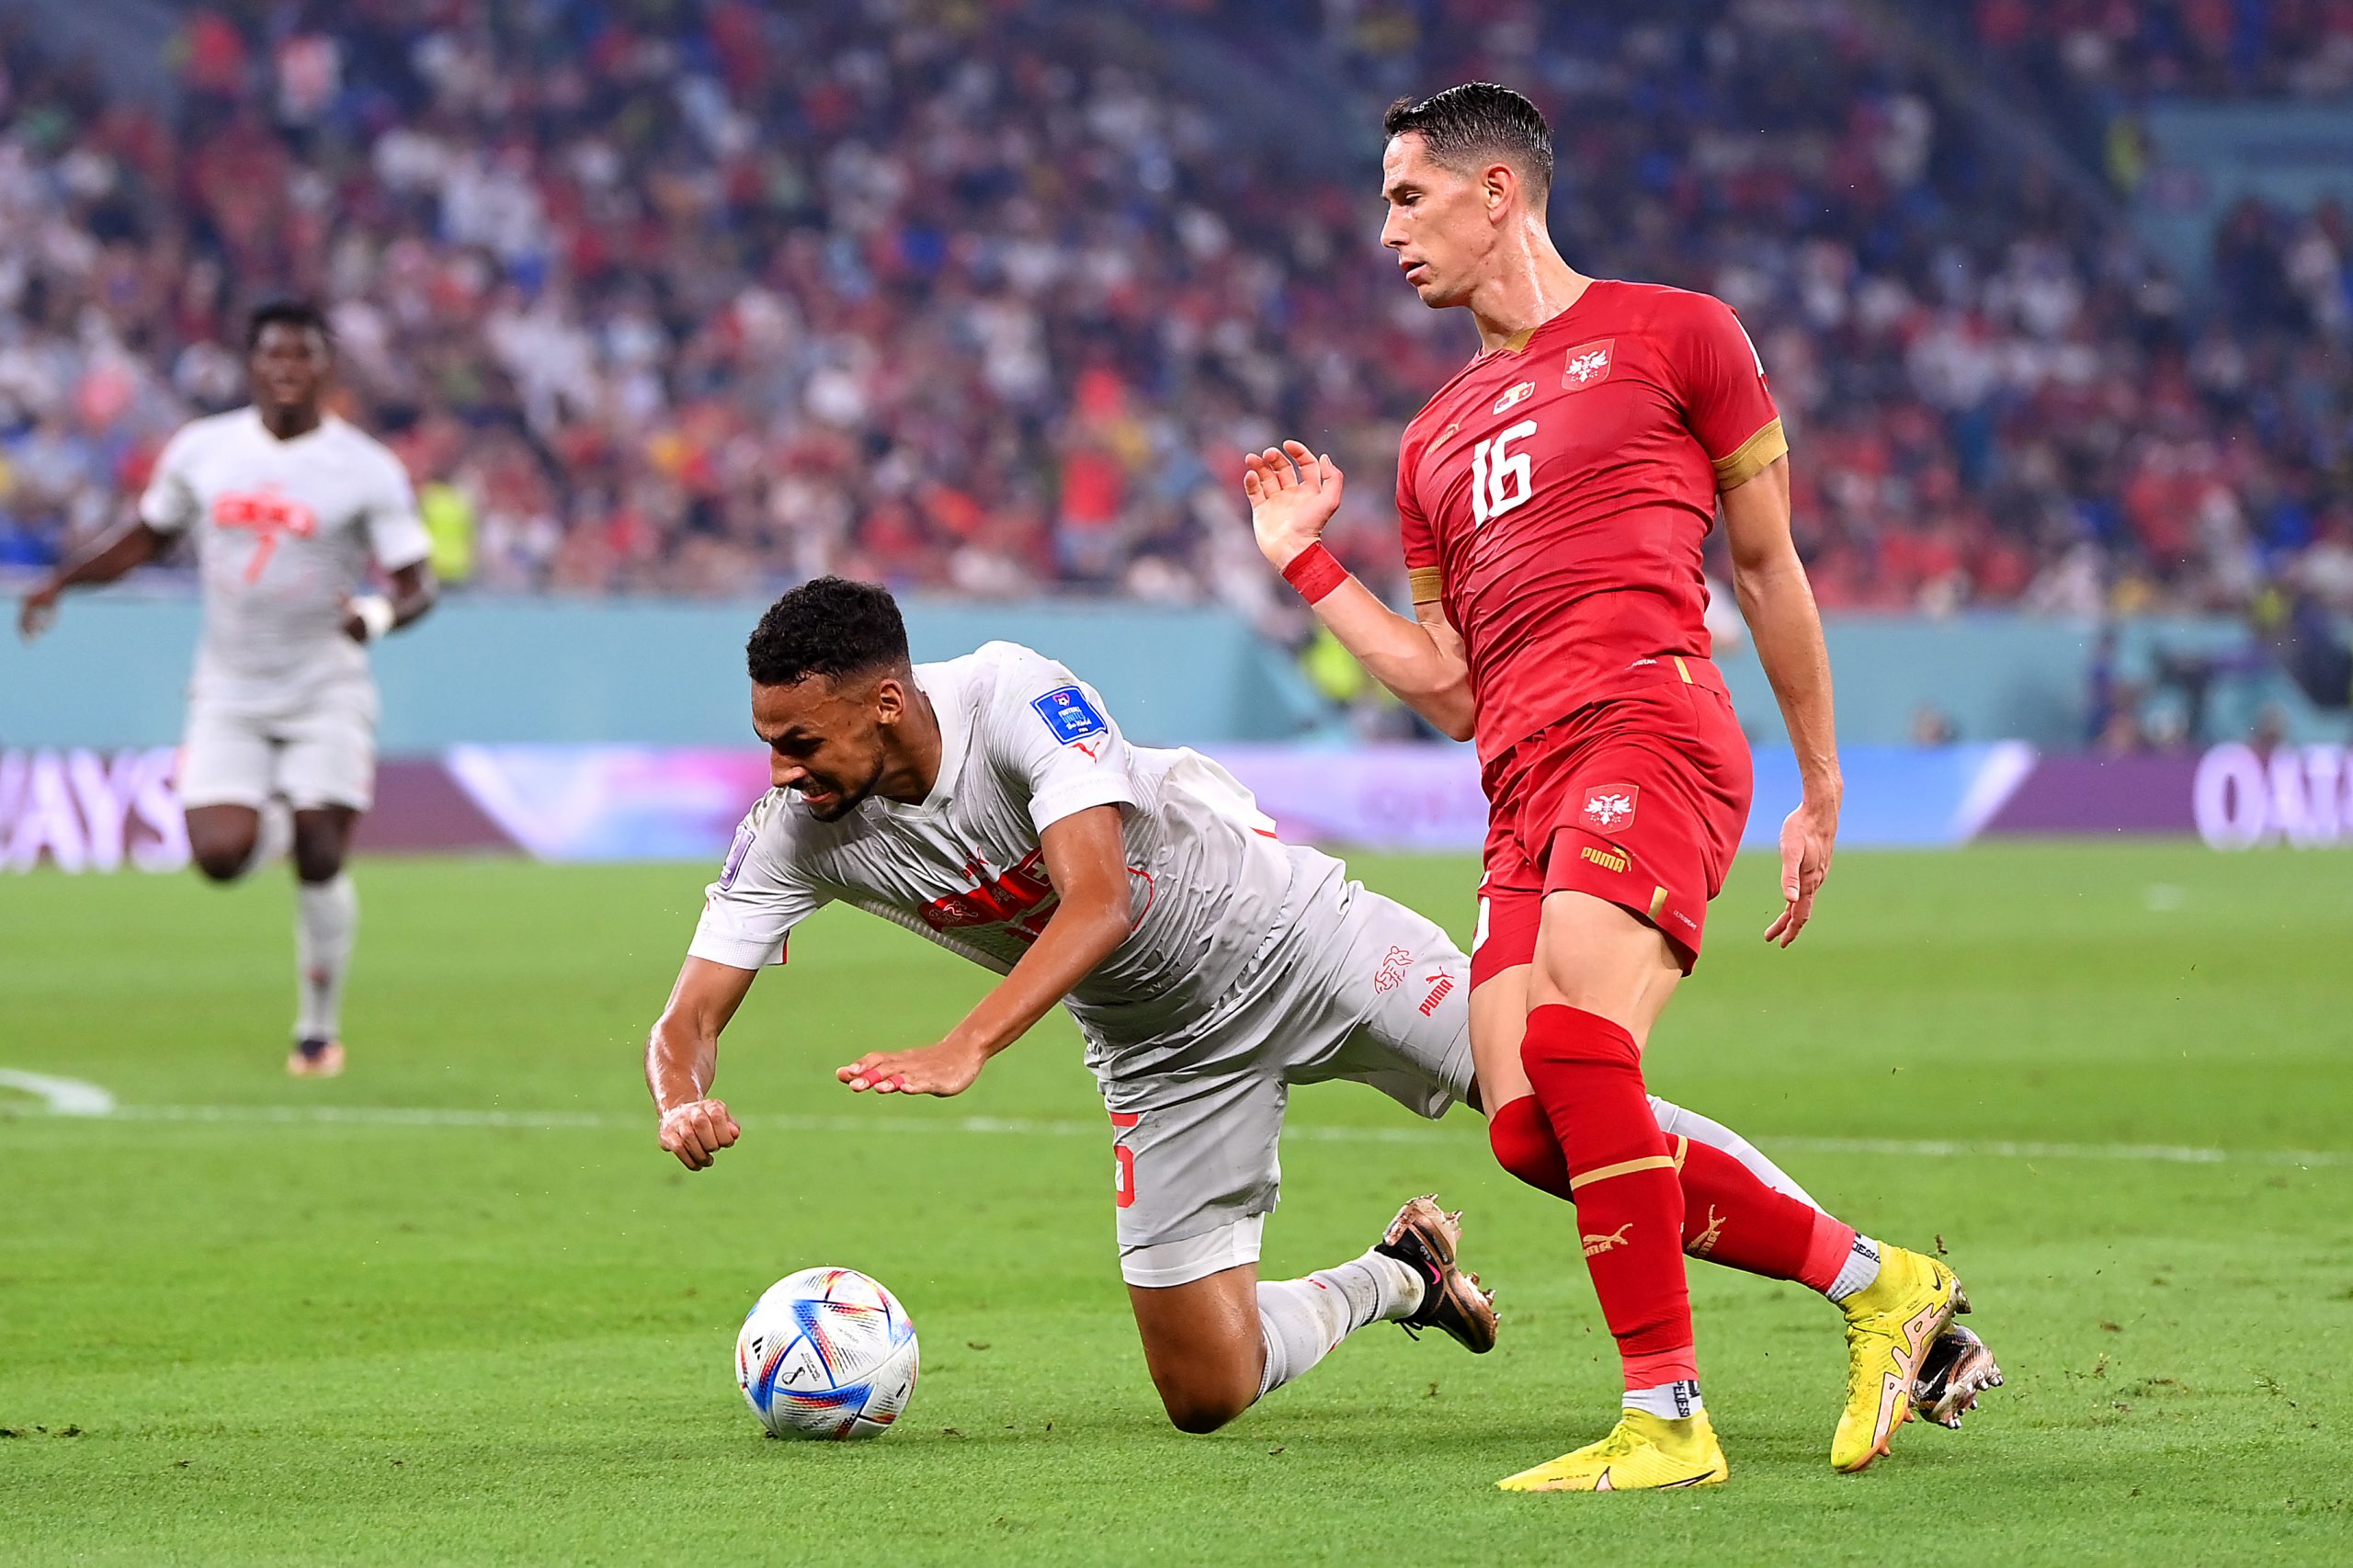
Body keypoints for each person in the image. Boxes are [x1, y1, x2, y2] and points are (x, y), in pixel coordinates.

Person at [642, 577, 1998, 1439]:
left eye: (798, 739)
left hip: (1304, 940)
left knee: (1566, 1110)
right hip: (1162, 1052)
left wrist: (966, 1042)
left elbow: (1099, 898)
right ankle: (1398, 1275)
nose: (781, 768)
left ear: (885, 702)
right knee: (1204, 1389)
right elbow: (686, 1013)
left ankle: (1888, 1291)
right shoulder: (796, 830)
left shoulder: (1013, 694)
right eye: (767, 742)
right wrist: (682, 1096)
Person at [1242, 83, 1985, 1488]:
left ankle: (1667, 1414)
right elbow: (1449, 684)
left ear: (1497, 193)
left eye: (1407, 197)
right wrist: (1303, 560)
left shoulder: (1679, 333)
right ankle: (1882, 1281)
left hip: (1647, 729)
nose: (1387, 229)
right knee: (1532, 1124)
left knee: (1585, 1042)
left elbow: (1765, 565)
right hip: (1521, 786)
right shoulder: (1431, 443)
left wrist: (1821, 778)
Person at [17, 301, 438, 1077]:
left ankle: (317, 1033)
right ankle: (278, 824)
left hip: (326, 685)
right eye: (273, 355)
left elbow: (418, 584)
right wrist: (63, 582)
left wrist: (374, 616)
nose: (287, 369)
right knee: (217, 856)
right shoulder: (204, 450)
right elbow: (146, 537)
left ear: (325, 368)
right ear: (253, 365)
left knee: (322, 849)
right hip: (229, 688)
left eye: (303, 356)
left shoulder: (365, 468)